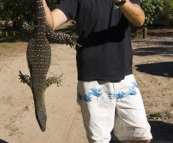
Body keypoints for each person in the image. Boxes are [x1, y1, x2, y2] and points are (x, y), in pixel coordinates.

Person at [42, 0, 152, 142]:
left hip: (124, 76)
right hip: (92, 79)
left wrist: (122, 2)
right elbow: (50, 24)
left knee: (142, 136)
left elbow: (139, 19)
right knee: (99, 140)